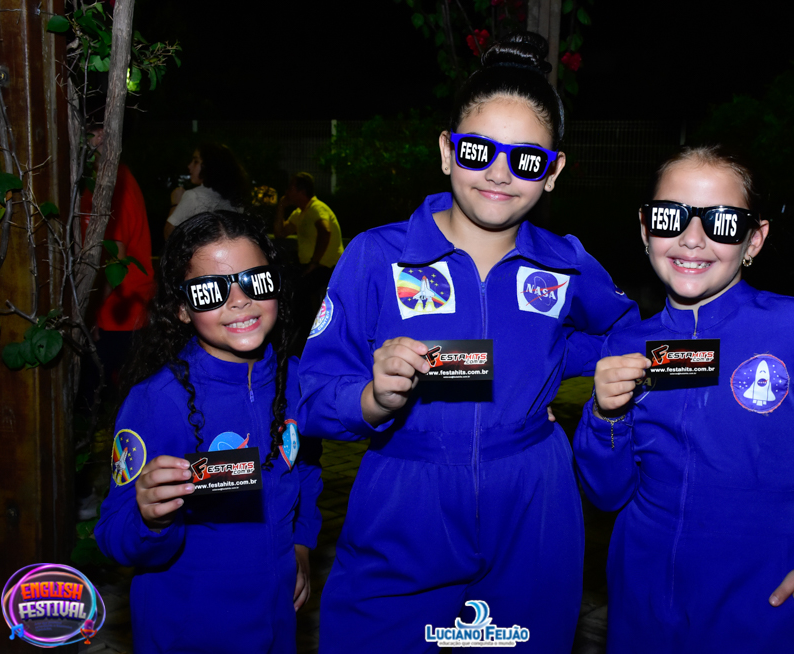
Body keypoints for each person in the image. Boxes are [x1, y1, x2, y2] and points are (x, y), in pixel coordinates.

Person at [298, 32, 639, 653]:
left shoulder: (566, 263)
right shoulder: (375, 257)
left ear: (553, 172)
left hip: (533, 504)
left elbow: (625, 334)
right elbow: (312, 394)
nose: (500, 173)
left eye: (527, 159)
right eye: (478, 150)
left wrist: (554, 362)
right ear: (447, 151)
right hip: (405, 500)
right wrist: (372, 399)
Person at [573, 145, 794, 653]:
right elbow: (607, 493)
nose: (692, 238)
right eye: (669, 217)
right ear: (645, 228)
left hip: (759, 606)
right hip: (640, 605)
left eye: (723, 222)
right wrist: (603, 416)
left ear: (755, 239)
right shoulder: (627, 343)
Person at [95, 212, 323, 654]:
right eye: (209, 291)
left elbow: (306, 467)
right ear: (182, 308)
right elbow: (113, 534)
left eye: (256, 281)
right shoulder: (156, 402)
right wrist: (150, 519)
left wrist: (301, 544)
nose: (239, 301)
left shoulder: (298, 382)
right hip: (188, 630)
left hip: (278, 622)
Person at [79, 127, 155, 399]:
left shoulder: (113, 184)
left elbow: (116, 261)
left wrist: (90, 314)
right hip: (118, 312)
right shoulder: (96, 181)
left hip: (117, 315)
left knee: (96, 402)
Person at [273, 172, 342, 337]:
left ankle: (307, 334)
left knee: (297, 291)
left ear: (301, 191)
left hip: (327, 266)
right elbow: (280, 233)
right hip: (311, 266)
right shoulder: (300, 213)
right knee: (289, 285)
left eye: (291, 187)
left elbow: (325, 231)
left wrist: (314, 262)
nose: (287, 191)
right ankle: (305, 333)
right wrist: (281, 206)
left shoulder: (317, 208)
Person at [164, 143, 248, 239]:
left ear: (209, 166)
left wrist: (175, 204)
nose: (189, 166)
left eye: (196, 161)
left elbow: (169, 234)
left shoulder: (194, 196)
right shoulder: (234, 199)